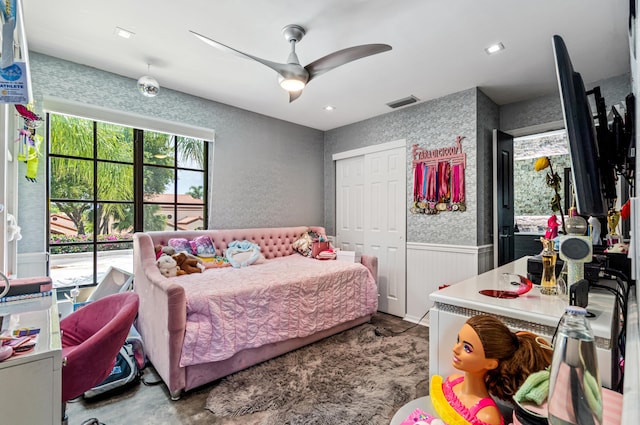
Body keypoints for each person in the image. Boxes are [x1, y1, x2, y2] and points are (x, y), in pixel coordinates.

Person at [430, 315, 553, 425]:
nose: (455, 349)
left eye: (467, 348)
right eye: (458, 341)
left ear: (490, 364)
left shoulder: (487, 416)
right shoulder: (453, 381)